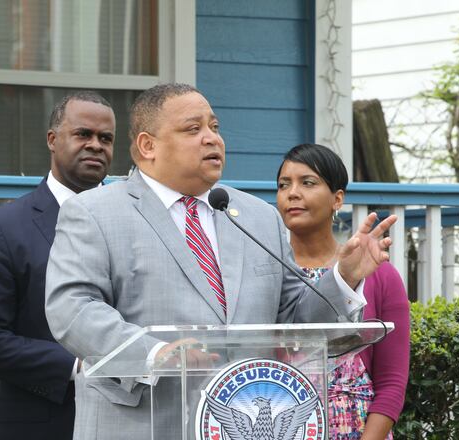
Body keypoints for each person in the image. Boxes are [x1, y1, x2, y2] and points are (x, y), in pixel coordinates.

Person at [44, 83, 398, 440]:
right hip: (142, 424)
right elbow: (73, 308)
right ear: (148, 146)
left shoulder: (257, 217)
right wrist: (154, 353)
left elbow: (294, 319)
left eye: (215, 127)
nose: (212, 139)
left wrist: (343, 278)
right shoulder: (94, 212)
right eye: (193, 129)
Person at [0, 91, 116, 439]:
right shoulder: (3, 227)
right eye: (83, 134)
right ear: (52, 139)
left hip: (127, 421)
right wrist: (76, 366)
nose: (95, 145)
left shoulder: (133, 221)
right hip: (38, 423)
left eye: (105, 138)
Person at [276, 143, 409, 440]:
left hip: (359, 430)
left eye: (307, 182)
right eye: (284, 185)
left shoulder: (381, 275)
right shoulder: (268, 273)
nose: (292, 193)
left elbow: (392, 381)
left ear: (337, 198)